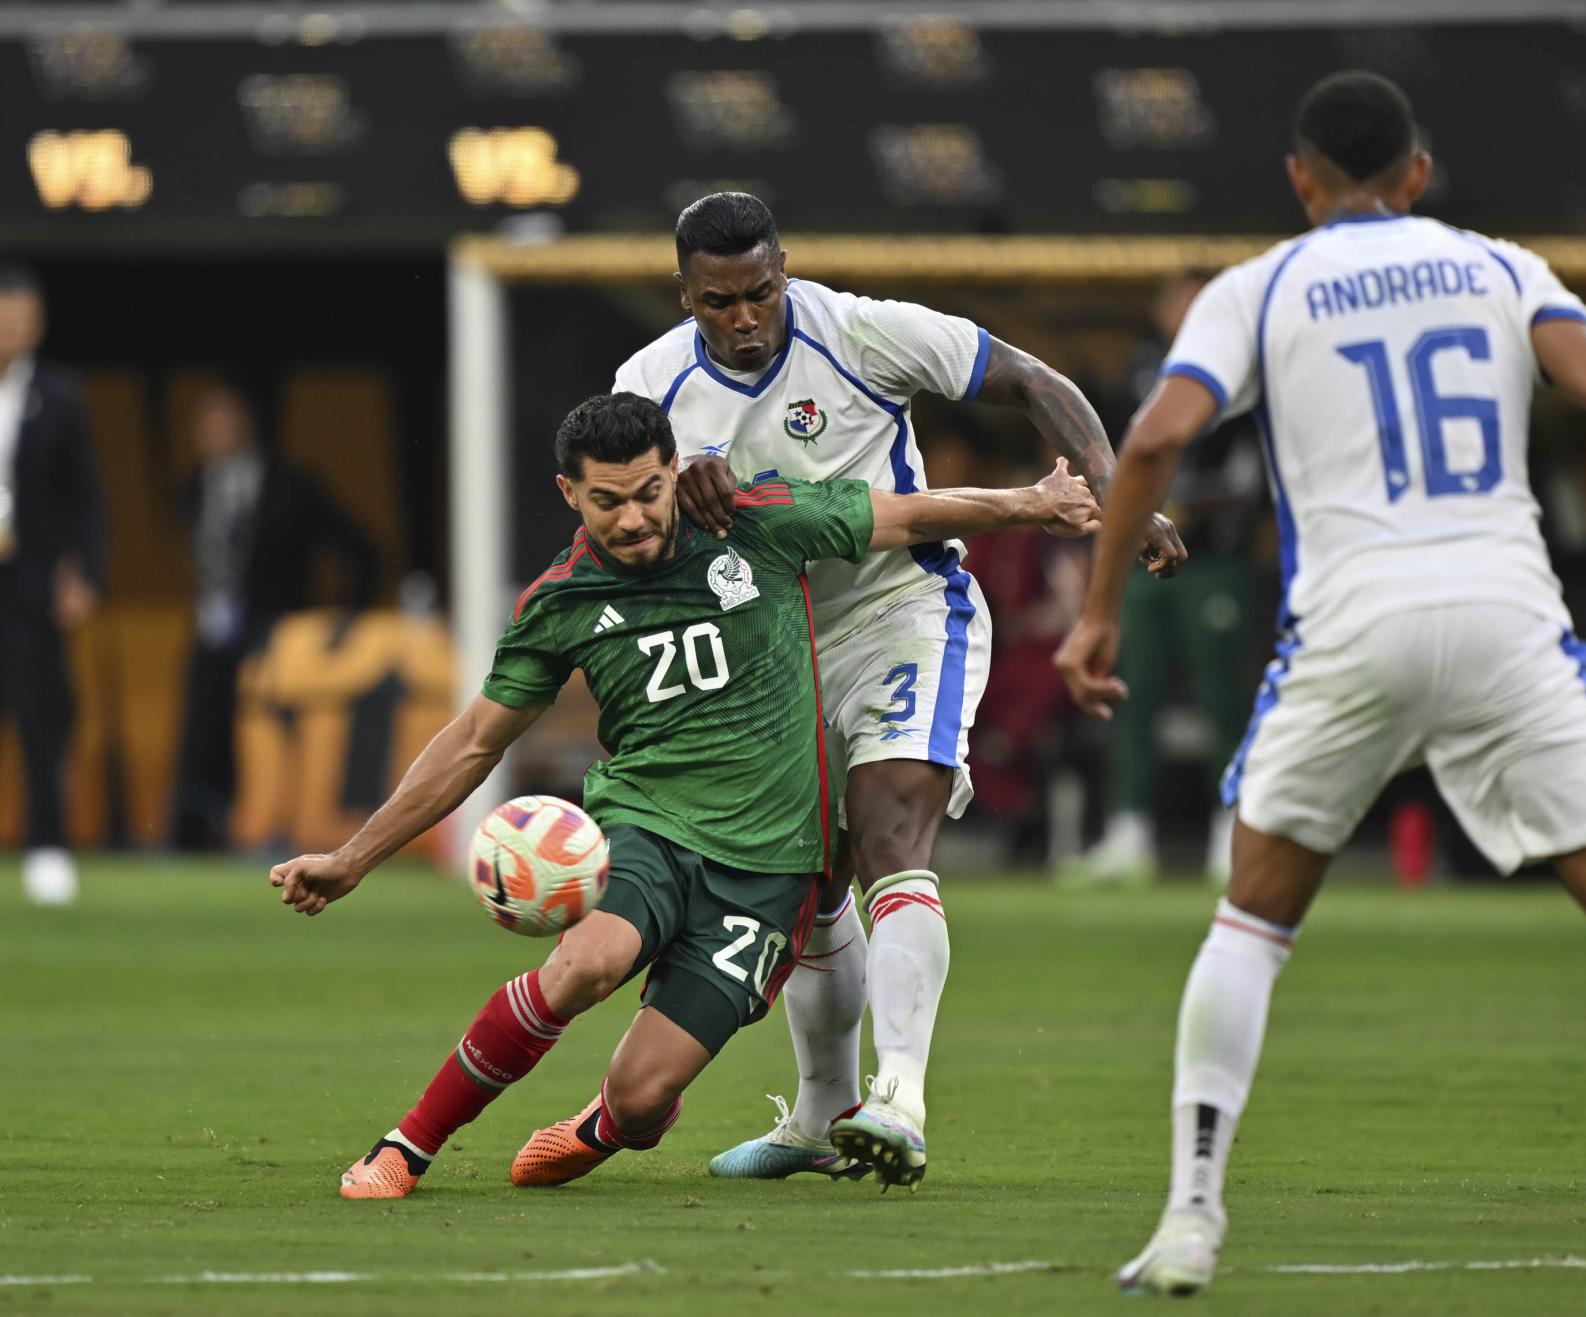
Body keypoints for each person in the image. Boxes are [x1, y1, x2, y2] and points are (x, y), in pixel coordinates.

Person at [1054, 72, 1586, 1299]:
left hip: (1350, 628)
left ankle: (1188, 1216)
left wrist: (1102, 610)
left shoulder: (1259, 286)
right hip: (1505, 620)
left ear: (1299, 182)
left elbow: (1156, 440)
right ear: (1417, 175)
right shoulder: (1499, 268)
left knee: (1249, 925)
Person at [268, 391, 1098, 1199]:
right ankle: (406, 1146)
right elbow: (475, 739)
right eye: (606, 502)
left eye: (647, 492)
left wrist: (1035, 501)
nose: (631, 518)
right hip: (646, 827)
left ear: (676, 468)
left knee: (639, 1096)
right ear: (569, 495)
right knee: (585, 963)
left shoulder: (757, 521)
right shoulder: (561, 599)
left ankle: (610, 1121)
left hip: (771, 872)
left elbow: (909, 516)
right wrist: (352, 859)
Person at [610, 192, 1186, 1187]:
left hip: (900, 612)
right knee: (807, 882)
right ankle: (818, 1113)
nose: (743, 318)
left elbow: (1031, 380)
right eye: (718, 303)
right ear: (684, 295)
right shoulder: (648, 382)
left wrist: (1114, 489)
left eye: (759, 292)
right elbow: (623, 523)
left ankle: (900, 1099)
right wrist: (674, 497)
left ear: (783, 269)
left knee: (890, 834)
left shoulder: (862, 331)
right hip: (771, 649)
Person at [1070, 272, 1265, 883]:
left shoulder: (1240, 367)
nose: (1175, 311)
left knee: (1223, 697)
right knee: (1132, 690)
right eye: (1171, 299)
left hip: (1214, 559)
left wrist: (1190, 508)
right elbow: (1118, 458)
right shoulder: (1142, 367)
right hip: (1145, 560)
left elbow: (1249, 472)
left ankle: (1230, 832)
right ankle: (1130, 832)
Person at [173, 379, 380, 848]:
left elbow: (362, 550)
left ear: (247, 425)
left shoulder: (291, 484)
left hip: (276, 637)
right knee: (202, 734)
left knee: (268, 737)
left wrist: (341, 620)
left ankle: (271, 830)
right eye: (206, 426)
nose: (214, 435)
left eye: (224, 423)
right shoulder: (192, 486)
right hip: (210, 637)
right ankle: (194, 834)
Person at [0, 262, 102, 907]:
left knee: (41, 717)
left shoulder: (61, 396)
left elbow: (86, 496)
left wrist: (84, 572)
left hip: (30, 583)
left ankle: (46, 848)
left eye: (22, 317)